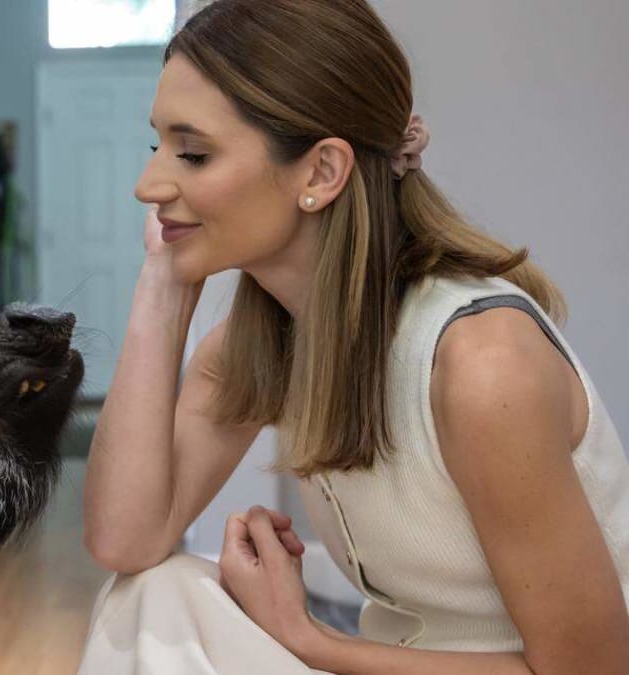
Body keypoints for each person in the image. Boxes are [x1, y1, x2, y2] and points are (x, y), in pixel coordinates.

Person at [77, 1, 629, 673]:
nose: (148, 185)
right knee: (153, 593)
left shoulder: (482, 365)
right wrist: (162, 289)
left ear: (320, 173)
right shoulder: (262, 349)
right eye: (157, 147)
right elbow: (125, 540)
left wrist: (309, 639)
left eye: (193, 154)